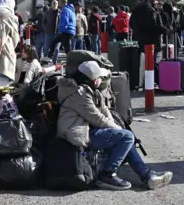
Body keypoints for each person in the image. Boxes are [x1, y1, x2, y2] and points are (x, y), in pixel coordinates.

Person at [57, 60, 173, 190]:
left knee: (125, 137)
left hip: (88, 129)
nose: (100, 80)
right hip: (78, 133)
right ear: (94, 80)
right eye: (98, 78)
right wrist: (119, 130)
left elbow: (104, 110)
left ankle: (147, 176)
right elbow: (98, 119)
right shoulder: (79, 94)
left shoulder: (90, 90)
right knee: (126, 137)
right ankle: (107, 174)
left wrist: (118, 128)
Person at [131, 0, 168, 67]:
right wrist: (165, 30)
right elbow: (152, 26)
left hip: (140, 41)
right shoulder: (150, 10)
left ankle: (144, 78)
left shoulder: (136, 9)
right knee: (152, 65)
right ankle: (152, 78)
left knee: (143, 64)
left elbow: (131, 24)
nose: (156, 1)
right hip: (152, 42)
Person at [50, 0, 76, 64]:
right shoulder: (71, 10)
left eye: (58, 2)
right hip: (71, 31)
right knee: (66, 48)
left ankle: (49, 57)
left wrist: (60, 28)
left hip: (66, 31)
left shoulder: (65, 10)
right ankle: (71, 61)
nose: (58, 3)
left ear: (62, 2)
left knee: (55, 43)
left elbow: (65, 21)